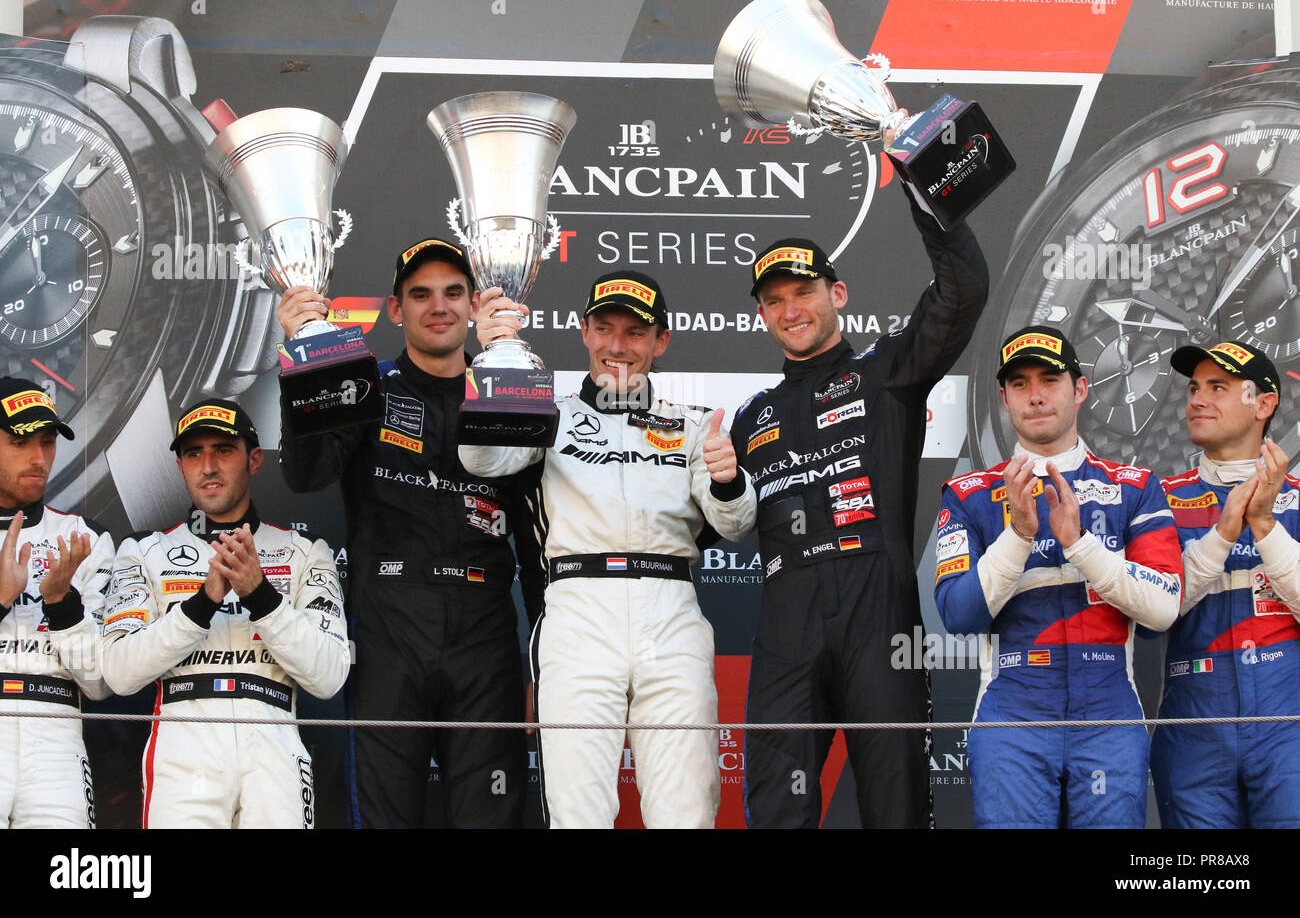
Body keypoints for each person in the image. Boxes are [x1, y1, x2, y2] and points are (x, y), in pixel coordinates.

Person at [462, 269, 757, 828]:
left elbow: (734, 524)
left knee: (688, 809)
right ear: (583, 332)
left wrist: (727, 479)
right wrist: (491, 367)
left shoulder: (694, 426)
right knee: (579, 812)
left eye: (635, 332)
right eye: (605, 328)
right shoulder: (548, 416)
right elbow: (481, 461)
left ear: (660, 341)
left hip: (671, 615)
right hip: (578, 612)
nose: (618, 346)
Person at [732, 186, 988, 828]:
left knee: (895, 800)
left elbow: (962, 292)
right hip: (788, 612)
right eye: (775, 300)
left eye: (804, 291)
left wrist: (926, 190)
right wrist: (720, 483)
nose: (791, 310)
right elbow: (727, 522)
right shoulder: (750, 418)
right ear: (763, 315)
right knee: (776, 801)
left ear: (836, 294)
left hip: (879, 610)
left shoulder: (888, 372)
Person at [276, 237, 544, 828]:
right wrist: (302, 362)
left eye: (453, 292)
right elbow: (306, 473)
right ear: (396, 310)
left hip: (486, 638)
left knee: (492, 821)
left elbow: (535, 535)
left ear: (475, 305)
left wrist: (542, 662)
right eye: (420, 294)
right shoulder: (364, 385)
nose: (438, 306)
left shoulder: (503, 389)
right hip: (388, 634)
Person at [934, 327, 1182, 827]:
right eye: (1020, 384)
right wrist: (1019, 536)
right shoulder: (969, 494)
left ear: (1081, 388)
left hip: (1109, 713)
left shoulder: (1134, 487)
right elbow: (957, 616)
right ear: (1003, 398)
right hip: (1012, 714)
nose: (1037, 395)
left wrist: (1081, 547)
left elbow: (1163, 610)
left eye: (1050, 378)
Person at [100, 399, 349, 828]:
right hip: (183, 739)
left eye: (223, 450)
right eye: (194, 453)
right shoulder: (144, 553)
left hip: (273, 734)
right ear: (180, 467)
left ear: (254, 460)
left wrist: (260, 596)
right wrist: (201, 604)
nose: (208, 466)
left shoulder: (306, 552)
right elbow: (119, 673)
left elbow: (328, 677)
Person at [1154, 341, 1300, 827]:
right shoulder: (1156, 501)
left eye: (1218, 387)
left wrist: (1264, 525)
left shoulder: (1299, 500)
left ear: (1264, 404)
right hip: (1194, 723)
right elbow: (1154, 614)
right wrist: (1222, 535)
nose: (1197, 399)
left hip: (1289, 726)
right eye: (1194, 388)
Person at [0, 377, 113, 828]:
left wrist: (61, 603)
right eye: (19, 442)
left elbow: (99, 683)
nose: (38, 459)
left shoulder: (85, 538)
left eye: (46, 443)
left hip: (57, 731)